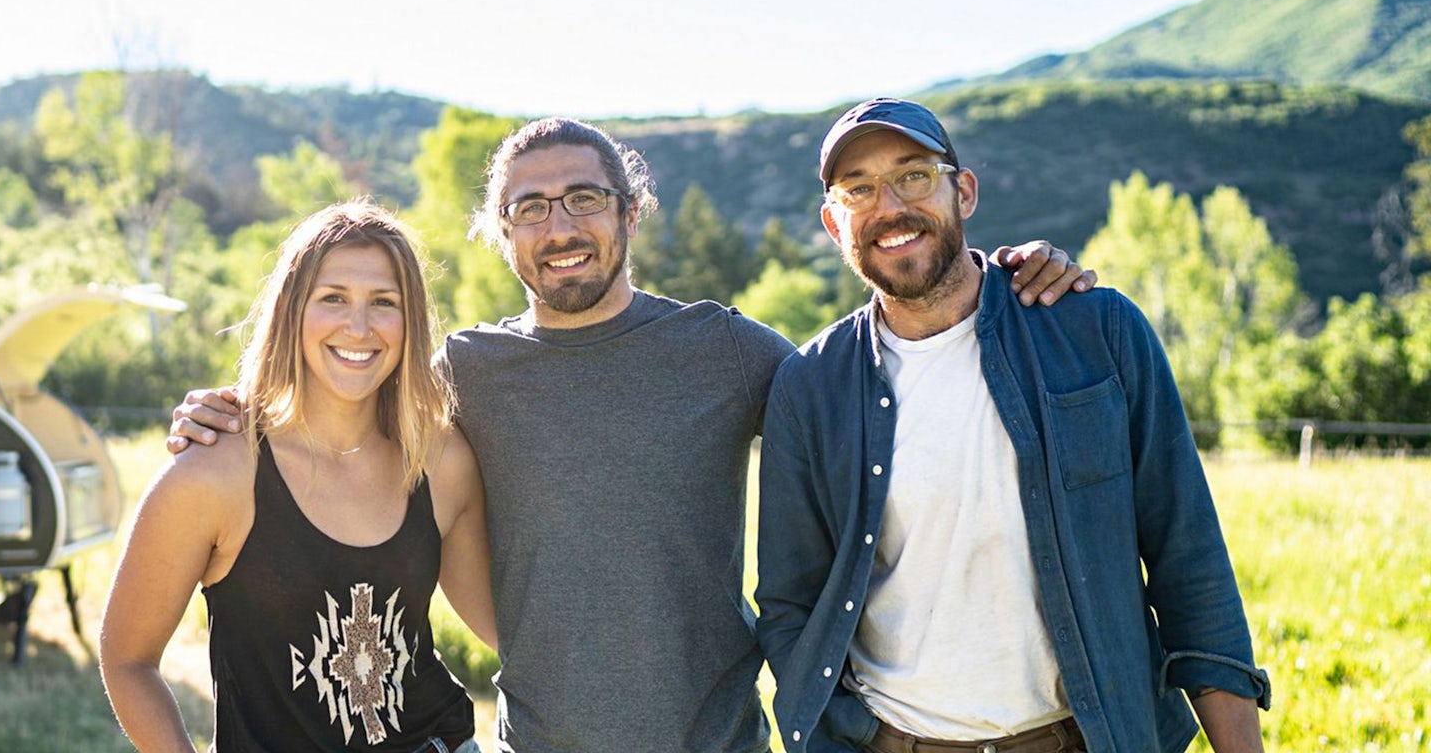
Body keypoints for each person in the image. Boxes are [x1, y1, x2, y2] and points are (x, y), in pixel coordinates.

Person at [170, 118, 1093, 752]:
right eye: (530, 207)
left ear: (629, 212)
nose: (559, 225)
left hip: (719, 740)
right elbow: (334, 398)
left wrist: (1003, 274)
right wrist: (227, 411)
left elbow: (884, 362)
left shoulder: (727, 350)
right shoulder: (459, 373)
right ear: (500, 233)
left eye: (583, 198)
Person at [754, 98, 1269, 753]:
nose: (889, 207)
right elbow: (790, 602)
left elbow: (1190, 563)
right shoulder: (811, 385)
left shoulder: (1094, 330)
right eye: (859, 190)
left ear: (963, 191)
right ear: (834, 222)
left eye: (914, 176)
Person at [100, 200, 496, 753]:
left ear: (411, 323)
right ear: (291, 310)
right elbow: (127, 659)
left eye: (385, 302)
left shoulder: (440, 459)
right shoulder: (216, 471)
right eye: (333, 298)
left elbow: (510, 630)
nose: (358, 326)